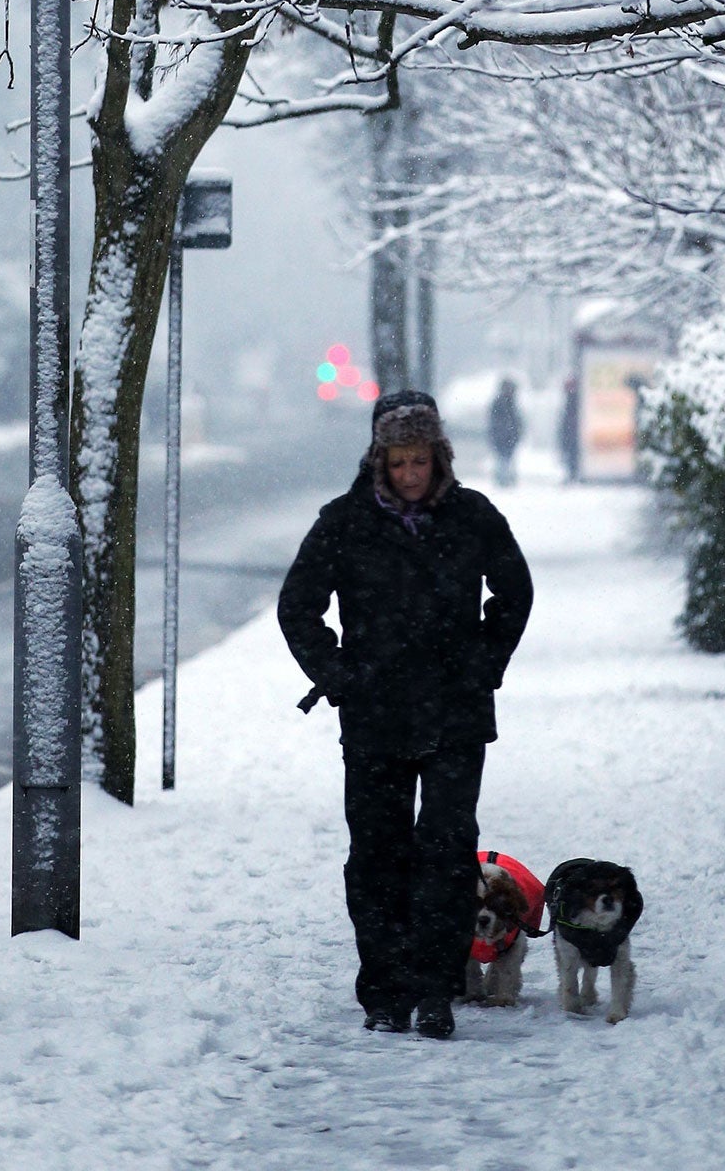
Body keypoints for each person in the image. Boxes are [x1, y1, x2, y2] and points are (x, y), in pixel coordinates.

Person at [277, 389, 534, 1040]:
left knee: (447, 854)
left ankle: (437, 988)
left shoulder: (472, 517)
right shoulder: (344, 522)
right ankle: (385, 991)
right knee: (378, 856)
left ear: (438, 458)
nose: (410, 474)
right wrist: (337, 675)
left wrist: (484, 663)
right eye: (398, 462)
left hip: (455, 716)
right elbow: (298, 607)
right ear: (379, 460)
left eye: (420, 460)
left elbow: (515, 591)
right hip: (375, 717)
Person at [486, 375, 523, 487]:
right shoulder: (502, 403)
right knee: (503, 459)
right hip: (503, 437)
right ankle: (503, 479)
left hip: (507, 437)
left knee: (506, 459)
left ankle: (505, 479)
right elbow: (496, 421)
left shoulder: (509, 402)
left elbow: (516, 421)